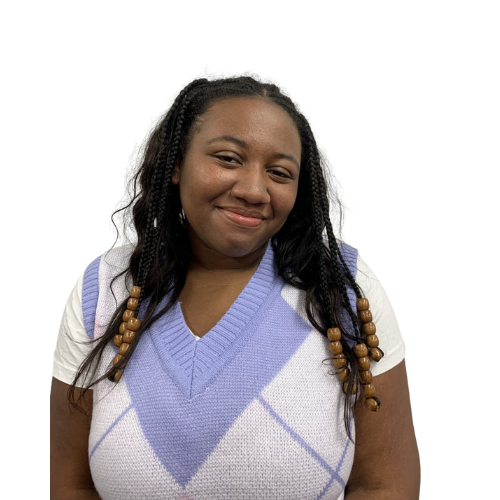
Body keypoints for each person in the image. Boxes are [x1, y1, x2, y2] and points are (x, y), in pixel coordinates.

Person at [50, 76, 420, 499]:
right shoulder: (105, 289)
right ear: (176, 164)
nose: (253, 190)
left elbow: (385, 483)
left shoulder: (342, 289)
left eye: (279, 173)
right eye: (228, 159)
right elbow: (71, 483)